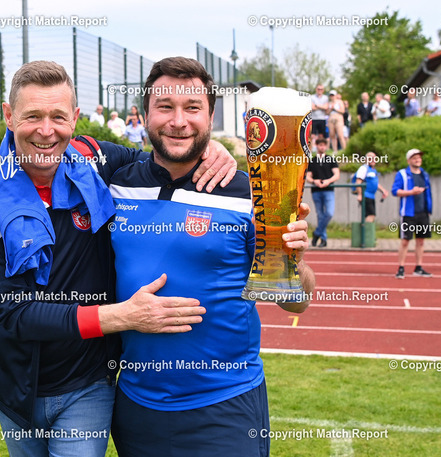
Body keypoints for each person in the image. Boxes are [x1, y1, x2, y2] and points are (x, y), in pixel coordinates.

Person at [0, 60, 237, 457]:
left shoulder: (95, 157)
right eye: (32, 116)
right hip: (15, 385)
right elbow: (14, 313)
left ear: (75, 118)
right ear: (8, 116)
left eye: (58, 117)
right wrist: (122, 317)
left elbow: (162, 158)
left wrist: (208, 149)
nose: (46, 130)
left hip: (89, 383)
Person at [108, 56, 315, 457]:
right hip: (135, 407)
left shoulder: (249, 195)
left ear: (211, 116)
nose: (178, 121)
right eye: (165, 106)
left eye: (192, 108)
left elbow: (297, 302)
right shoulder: (115, 186)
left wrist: (296, 260)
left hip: (224, 408)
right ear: (145, 114)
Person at [392, 149, 433, 279]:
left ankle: (418, 267)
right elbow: (395, 191)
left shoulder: (424, 174)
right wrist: (411, 192)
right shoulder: (402, 174)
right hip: (408, 213)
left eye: (419, 157)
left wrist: (429, 208)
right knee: (405, 241)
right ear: (408, 160)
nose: (417, 160)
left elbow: (428, 193)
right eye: (414, 158)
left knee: (421, 241)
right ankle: (401, 268)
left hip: (423, 212)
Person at [306, 138, 340, 247]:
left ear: (326, 146)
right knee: (320, 215)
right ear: (317, 146)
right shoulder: (312, 161)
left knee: (329, 213)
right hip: (316, 191)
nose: (322, 147)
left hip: (328, 190)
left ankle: (317, 233)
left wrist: (328, 181)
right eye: (320, 145)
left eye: (324, 145)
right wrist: (314, 181)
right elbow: (308, 176)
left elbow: (337, 174)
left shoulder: (330, 159)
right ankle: (323, 239)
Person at [355, 152, 388, 223]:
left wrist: (383, 190)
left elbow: (374, 183)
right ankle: (366, 230)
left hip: (371, 196)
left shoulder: (373, 170)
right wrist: (360, 195)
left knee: (371, 215)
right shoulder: (364, 168)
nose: (373, 160)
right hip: (365, 195)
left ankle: (366, 228)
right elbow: (358, 182)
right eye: (370, 158)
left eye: (374, 158)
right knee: (370, 215)